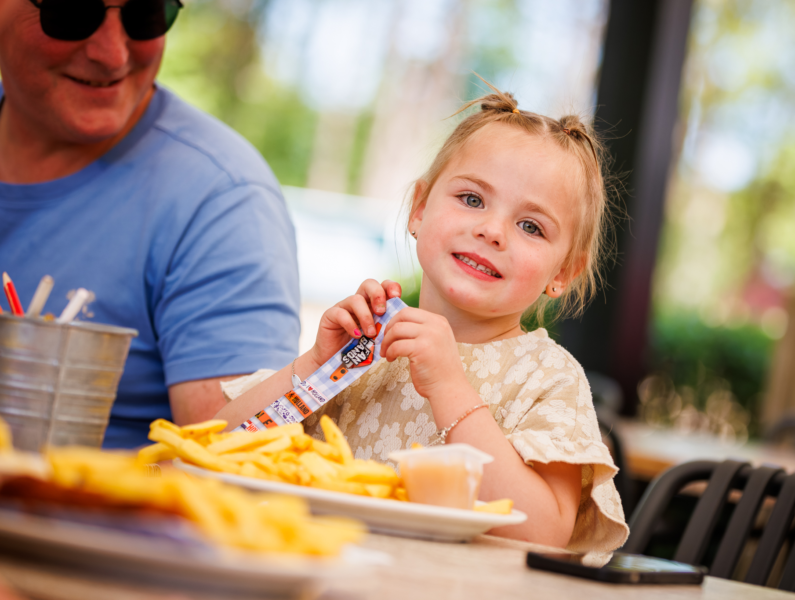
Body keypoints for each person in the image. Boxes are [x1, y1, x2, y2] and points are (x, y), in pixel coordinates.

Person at [216, 86, 628, 554]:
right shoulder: (366, 350)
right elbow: (217, 448)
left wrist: (450, 388)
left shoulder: (548, 378)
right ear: (419, 208)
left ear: (565, 272)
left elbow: (543, 532)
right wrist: (314, 366)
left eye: (531, 226)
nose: (491, 231)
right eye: (472, 199)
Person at [0, 0, 300, 448]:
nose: (113, 53)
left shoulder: (220, 199)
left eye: (146, 12)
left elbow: (228, 464)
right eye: (71, 13)